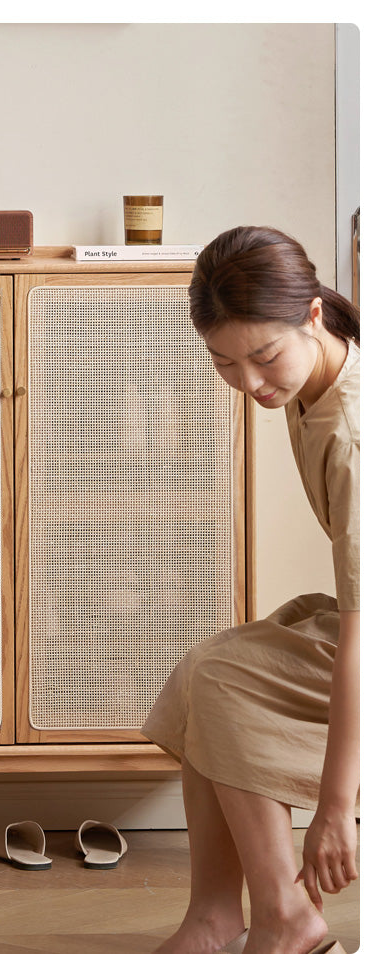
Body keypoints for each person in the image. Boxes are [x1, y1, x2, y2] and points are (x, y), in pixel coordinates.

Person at [141, 225, 360, 954]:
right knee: (211, 669)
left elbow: (371, 633)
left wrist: (335, 808)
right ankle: (214, 917)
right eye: (224, 363)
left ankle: (285, 917)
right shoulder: (316, 381)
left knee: (227, 677)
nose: (251, 383)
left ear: (313, 316)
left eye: (264, 357)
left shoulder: (357, 437)